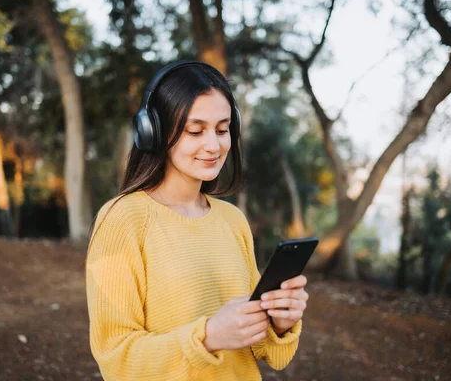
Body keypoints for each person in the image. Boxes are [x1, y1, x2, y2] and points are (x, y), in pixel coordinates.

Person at [85, 61, 309, 380]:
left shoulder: (233, 220)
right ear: (154, 132)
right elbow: (116, 359)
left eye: (222, 129)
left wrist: (280, 322)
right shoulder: (122, 219)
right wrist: (208, 338)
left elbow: (266, 353)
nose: (213, 146)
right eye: (195, 130)